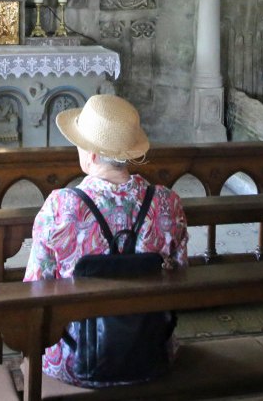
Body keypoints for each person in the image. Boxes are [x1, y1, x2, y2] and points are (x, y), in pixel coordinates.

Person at [24, 94, 188, 387]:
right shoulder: (167, 202)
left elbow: (35, 286)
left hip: (74, 360)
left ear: (93, 153)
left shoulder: (61, 207)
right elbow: (179, 272)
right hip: (151, 351)